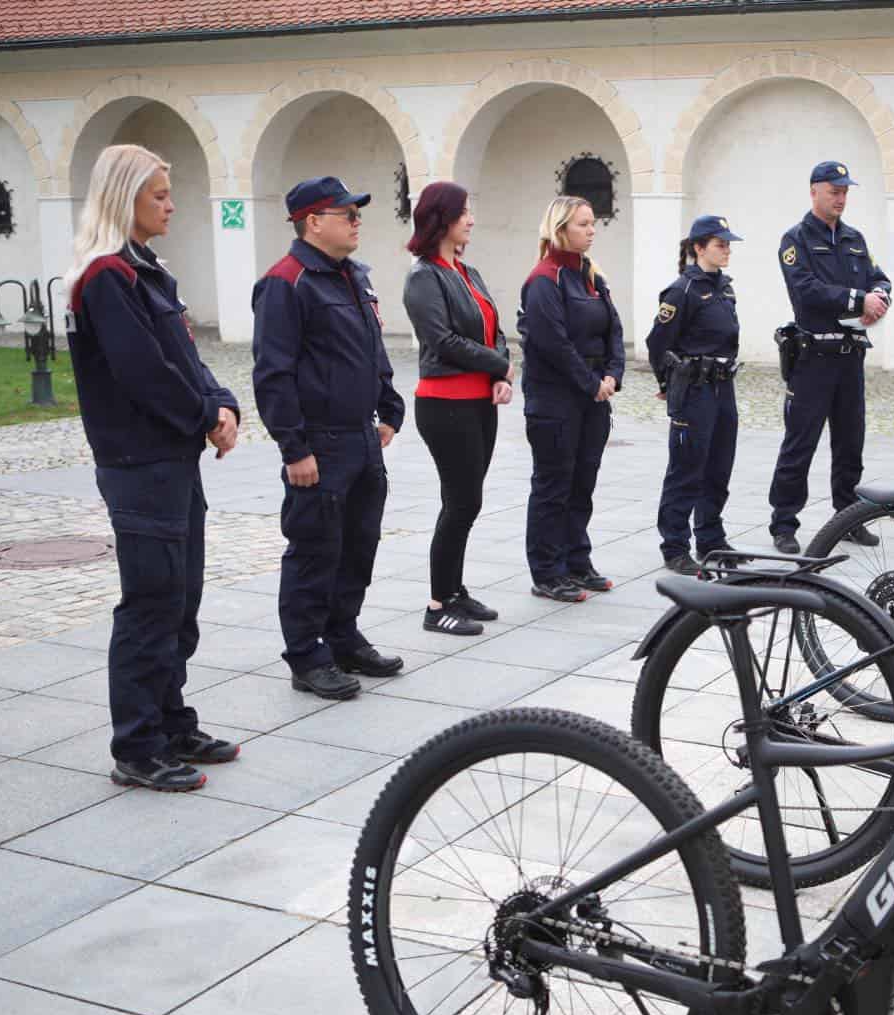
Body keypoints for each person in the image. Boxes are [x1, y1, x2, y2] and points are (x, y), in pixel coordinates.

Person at [63, 143, 241, 792]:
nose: (171, 204)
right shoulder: (107, 276)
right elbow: (144, 374)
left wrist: (222, 404)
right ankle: (136, 747)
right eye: (158, 195)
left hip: (173, 460)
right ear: (124, 198)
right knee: (151, 604)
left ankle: (172, 722)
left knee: (181, 599)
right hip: (139, 464)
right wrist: (204, 417)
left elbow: (187, 356)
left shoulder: (148, 270)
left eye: (169, 193)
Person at [252, 176, 406, 700]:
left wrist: (389, 402)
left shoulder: (352, 277)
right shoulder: (287, 281)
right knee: (315, 549)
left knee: (358, 544)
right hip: (319, 441)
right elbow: (273, 372)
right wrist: (293, 447)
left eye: (357, 213)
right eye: (348, 214)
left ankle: (343, 637)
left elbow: (371, 347)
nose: (358, 221)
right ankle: (306, 655)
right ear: (313, 221)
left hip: (360, 436)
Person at [402, 181, 513, 635]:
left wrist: (498, 374)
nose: (471, 219)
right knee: (459, 501)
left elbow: (495, 327)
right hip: (445, 404)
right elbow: (442, 341)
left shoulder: (468, 272)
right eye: (464, 212)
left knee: (469, 502)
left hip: (478, 403)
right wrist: (500, 364)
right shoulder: (423, 276)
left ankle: (454, 591)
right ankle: (436, 605)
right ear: (441, 218)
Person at [768, 161, 892, 554]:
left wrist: (881, 299)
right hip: (813, 356)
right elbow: (806, 289)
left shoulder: (855, 238)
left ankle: (848, 516)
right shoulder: (796, 240)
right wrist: (858, 300)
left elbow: (879, 278)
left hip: (850, 355)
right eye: (834, 191)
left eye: (844, 192)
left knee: (850, 442)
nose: (840, 198)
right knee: (800, 443)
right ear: (814, 191)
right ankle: (784, 523)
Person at [517, 195, 626, 601]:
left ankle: (577, 561)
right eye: (583, 224)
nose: (591, 230)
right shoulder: (544, 279)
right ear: (560, 228)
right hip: (555, 399)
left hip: (593, 396)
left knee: (583, 482)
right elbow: (553, 344)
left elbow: (614, 329)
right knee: (553, 484)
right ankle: (547, 570)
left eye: (593, 223)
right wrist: (590, 382)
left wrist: (613, 373)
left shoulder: (591, 276)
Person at [647, 215, 743, 575]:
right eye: (720, 244)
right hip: (695, 388)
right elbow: (658, 341)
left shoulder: (725, 288)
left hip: (722, 386)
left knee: (719, 466)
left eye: (728, 245)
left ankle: (711, 538)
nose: (726, 250)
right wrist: (666, 383)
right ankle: (674, 545)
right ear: (699, 248)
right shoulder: (682, 291)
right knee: (686, 469)